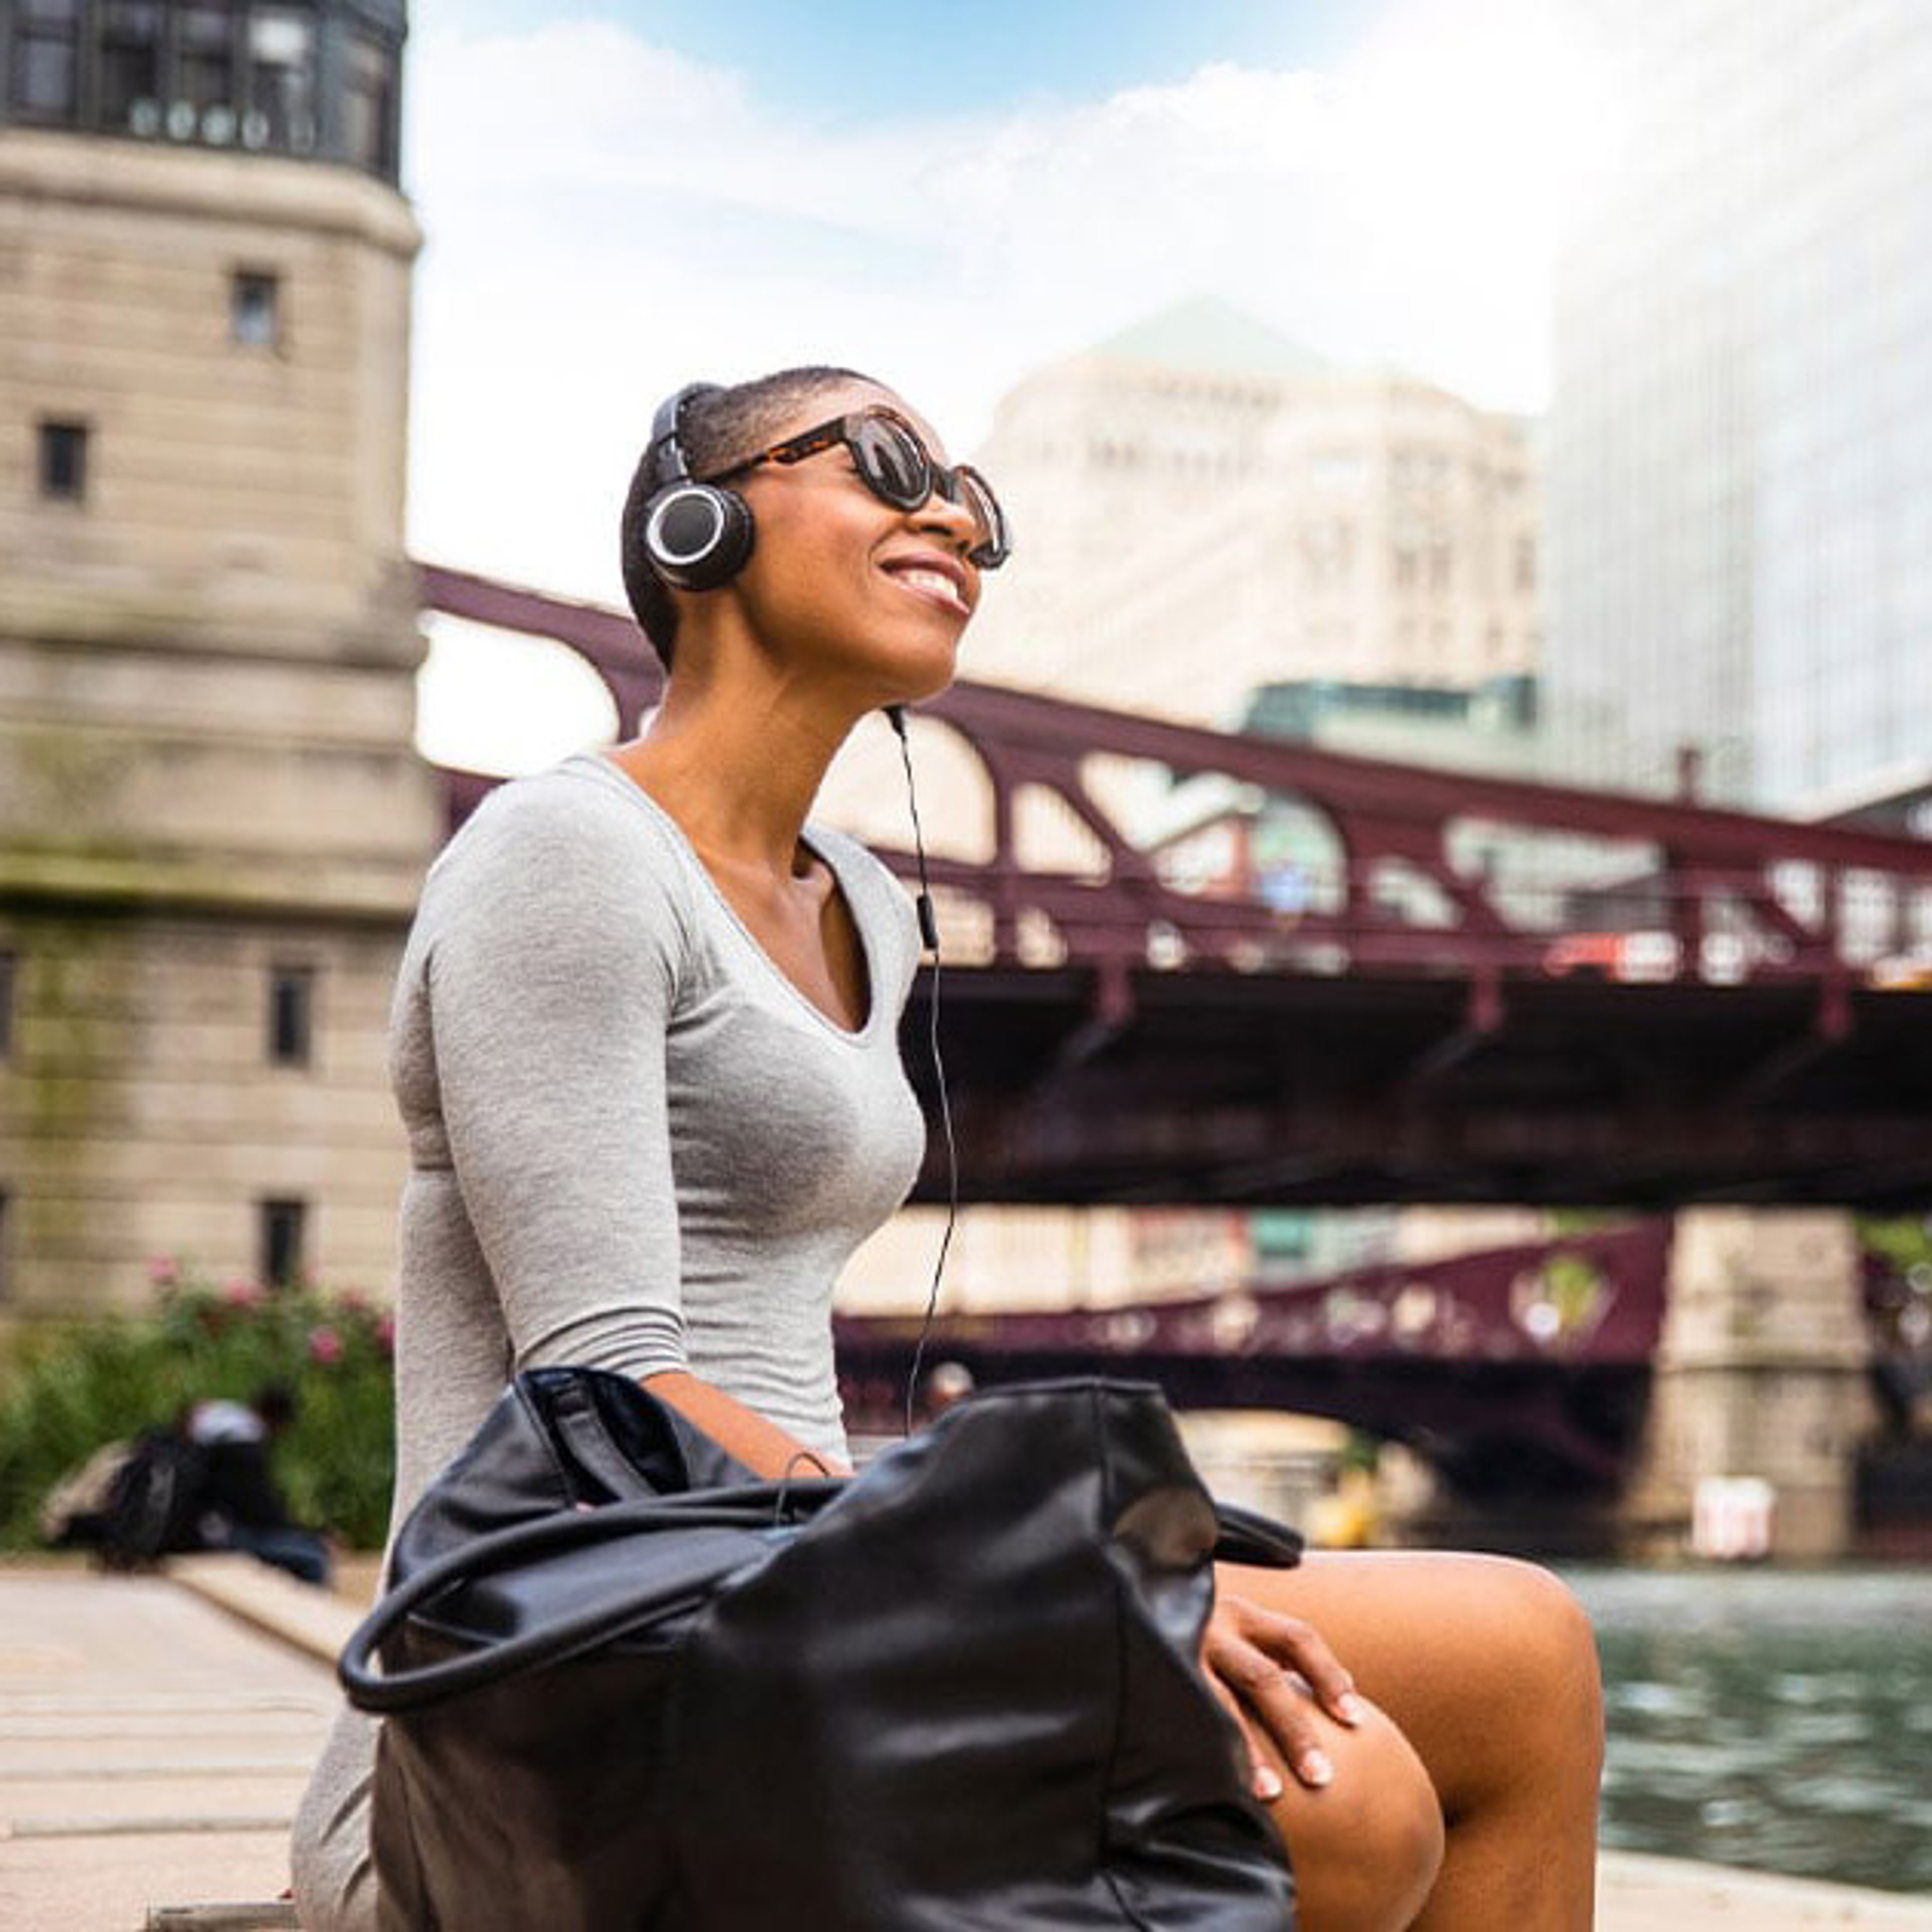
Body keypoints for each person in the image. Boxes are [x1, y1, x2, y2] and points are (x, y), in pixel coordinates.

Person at [292, 367, 1602, 1931]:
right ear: (697, 526)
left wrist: (1015, 1568)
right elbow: (610, 1389)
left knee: (1527, 1650)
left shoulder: (860, 894)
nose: (949, 517)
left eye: (972, 498)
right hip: (555, 1701)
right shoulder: (565, 853)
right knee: (1343, 1799)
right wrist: (1033, 1583)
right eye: (891, 463)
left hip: (806, 1598)